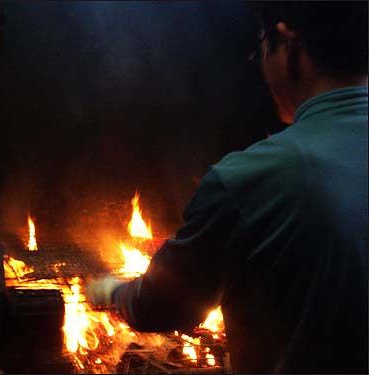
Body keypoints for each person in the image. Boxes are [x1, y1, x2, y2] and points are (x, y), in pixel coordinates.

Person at [85, 1, 368, 373]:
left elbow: (166, 306)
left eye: (260, 52)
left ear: (288, 44)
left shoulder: (251, 177)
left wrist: (115, 292)